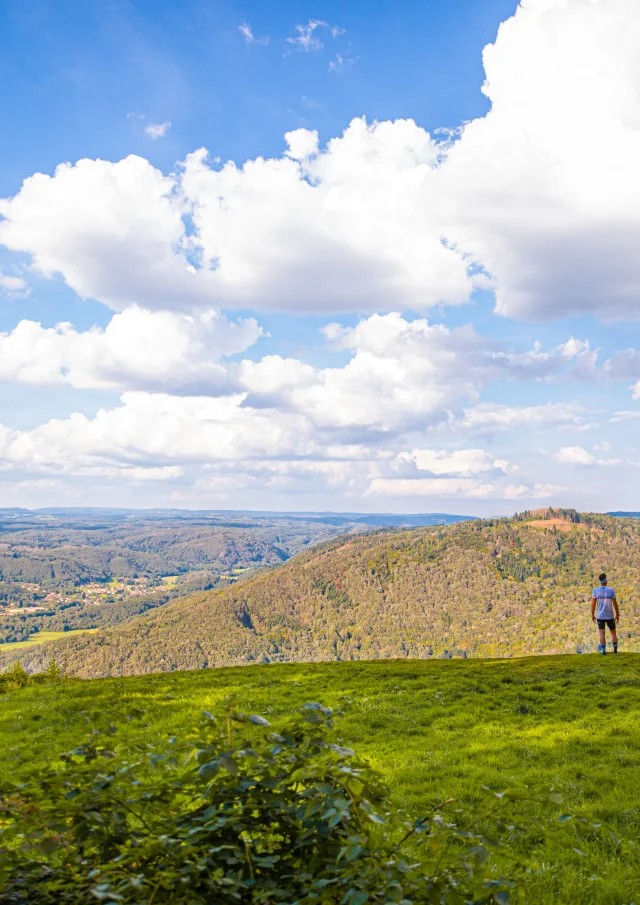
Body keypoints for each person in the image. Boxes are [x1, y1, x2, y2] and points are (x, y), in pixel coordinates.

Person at [591, 572, 619, 655]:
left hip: (600, 616)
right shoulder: (611, 590)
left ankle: (603, 651)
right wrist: (617, 614)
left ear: (600, 581)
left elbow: (593, 604)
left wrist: (592, 615)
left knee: (601, 633)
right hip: (610, 615)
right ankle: (615, 651)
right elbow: (615, 603)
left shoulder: (595, 590)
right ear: (606, 581)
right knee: (613, 632)